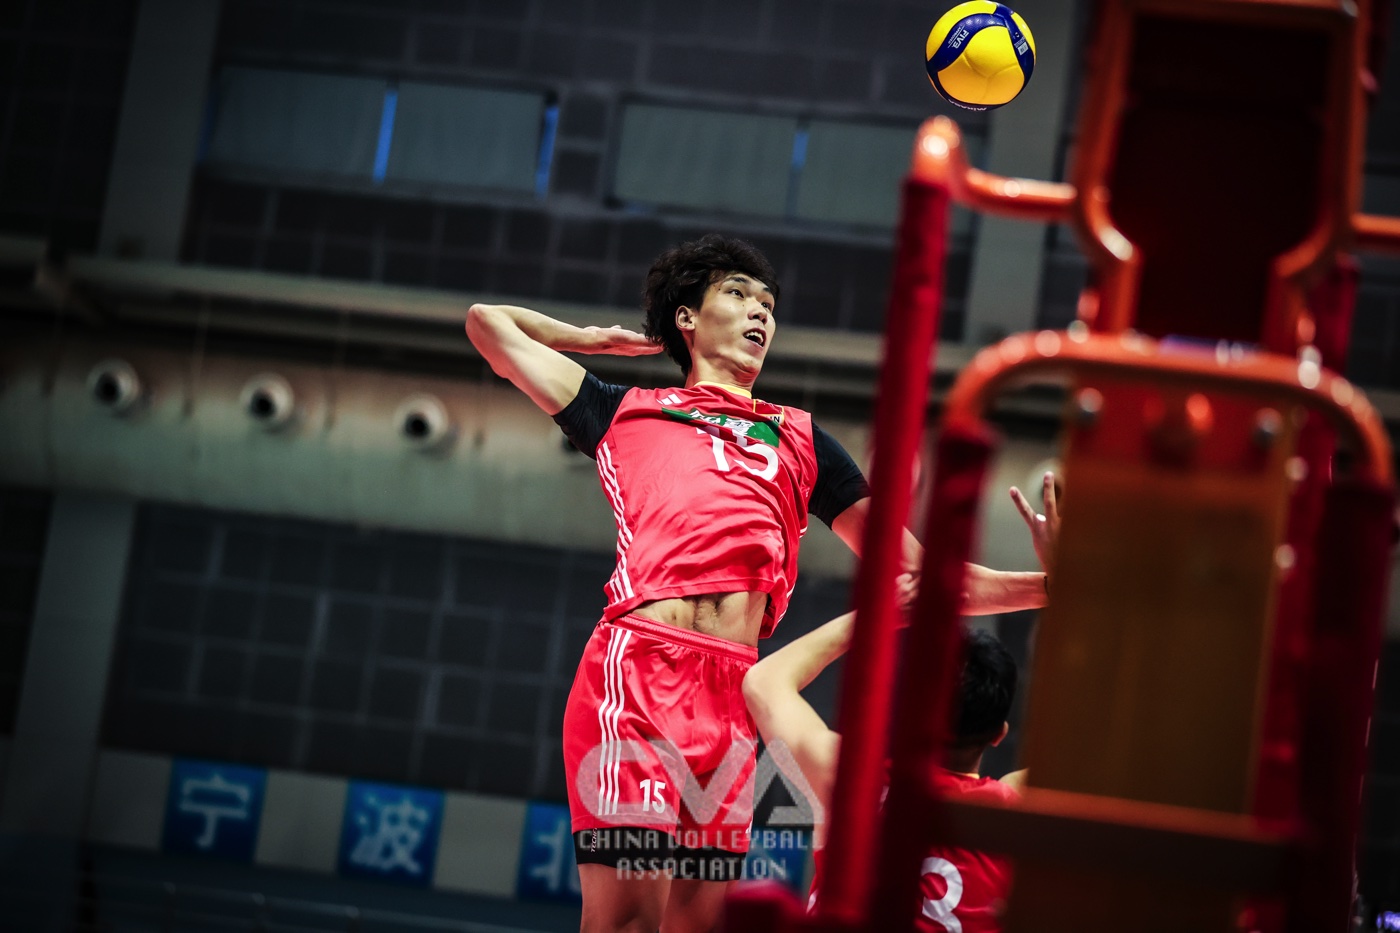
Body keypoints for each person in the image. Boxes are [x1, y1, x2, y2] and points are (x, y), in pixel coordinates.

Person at [465, 234, 1053, 933]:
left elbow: (924, 578)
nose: (760, 312)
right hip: (640, 674)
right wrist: (590, 340)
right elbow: (487, 325)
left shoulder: (800, 438)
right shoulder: (622, 409)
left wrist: (1058, 586)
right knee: (627, 921)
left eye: (768, 303)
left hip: (733, 695)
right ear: (687, 318)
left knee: (697, 924)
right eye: (739, 294)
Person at [742, 615, 1025, 932]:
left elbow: (763, 682)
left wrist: (882, 613)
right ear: (999, 734)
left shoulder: (853, 777)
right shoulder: (1018, 814)